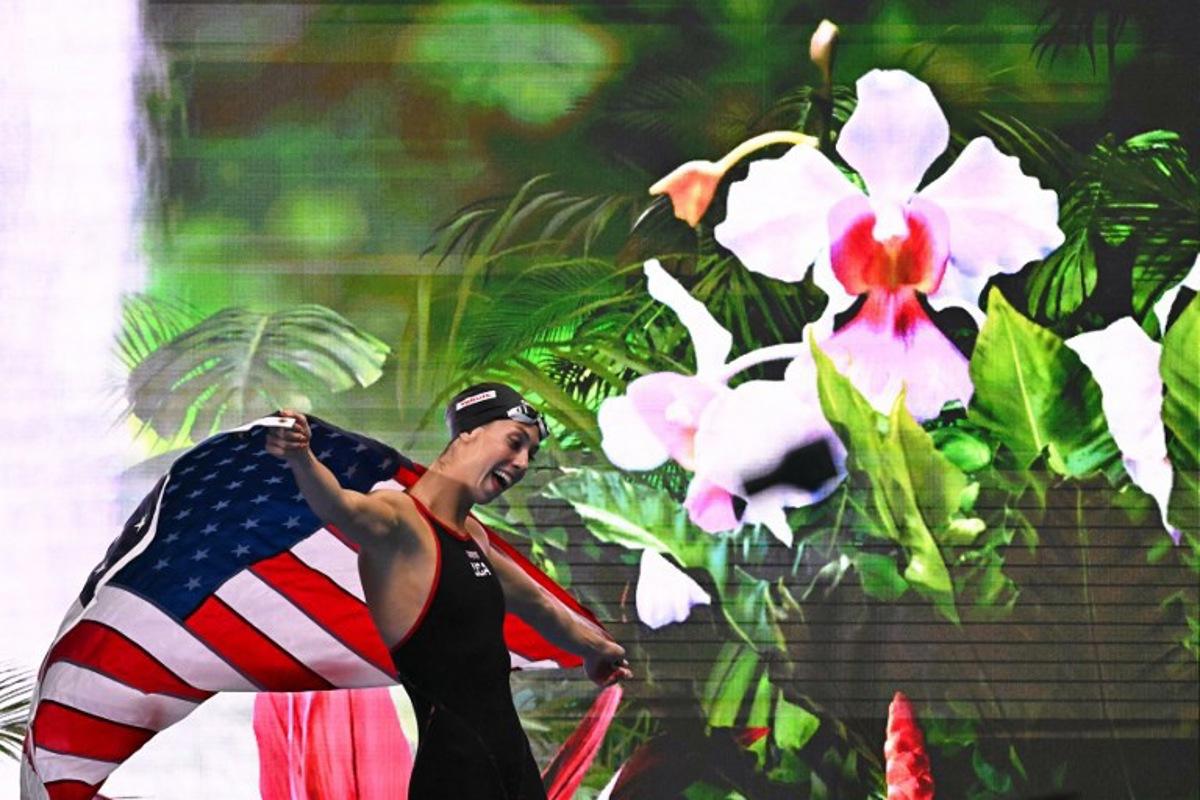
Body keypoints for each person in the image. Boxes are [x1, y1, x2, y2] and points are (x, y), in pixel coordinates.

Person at [265, 382, 632, 800]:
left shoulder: (474, 536)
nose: (521, 463)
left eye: (530, 455)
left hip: (513, 767)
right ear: (467, 434)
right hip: (454, 775)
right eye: (514, 443)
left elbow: (538, 605)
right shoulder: (399, 521)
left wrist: (595, 649)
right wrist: (301, 456)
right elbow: (340, 506)